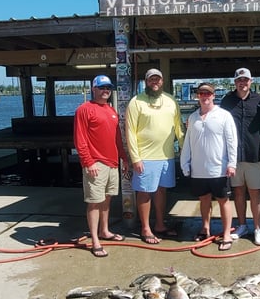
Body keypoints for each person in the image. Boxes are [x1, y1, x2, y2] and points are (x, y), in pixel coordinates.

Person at [126, 68, 184, 244]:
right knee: (144, 192)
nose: (155, 82)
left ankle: (159, 224)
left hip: (166, 157)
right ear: (146, 81)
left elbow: (178, 127)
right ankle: (145, 228)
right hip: (145, 157)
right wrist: (135, 158)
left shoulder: (171, 100)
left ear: (162, 81)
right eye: (151, 79)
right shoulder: (136, 102)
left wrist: (184, 151)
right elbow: (130, 132)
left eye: (157, 79)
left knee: (161, 191)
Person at [74, 75, 128, 258]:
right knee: (94, 202)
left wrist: (124, 158)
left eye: (108, 88)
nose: (106, 90)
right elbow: (80, 139)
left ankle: (105, 231)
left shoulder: (111, 110)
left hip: (112, 163)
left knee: (107, 199)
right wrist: (88, 162)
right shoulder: (84, 109)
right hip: (95, 163)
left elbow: (117, 138)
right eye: (102, 87)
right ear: (94, 89)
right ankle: (95, 240)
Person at [180, 82, 237, 251]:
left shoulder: (224, 115)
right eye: (202, 93)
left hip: (219, 169)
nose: (205, 96)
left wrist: (232, 163)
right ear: (198, 96)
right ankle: (205, 228)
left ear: (213, 96)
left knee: (223, 201)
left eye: (208, 93)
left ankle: (226, 233)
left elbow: (232, 141)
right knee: (204, 200)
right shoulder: (192, 117)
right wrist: (185, 164)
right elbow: (188, 143)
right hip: (199, 170)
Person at [220, 67, 260, 246]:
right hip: (233, 157)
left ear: (251, 81)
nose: (243, 83)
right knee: (238, 192)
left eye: (246, 80)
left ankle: (257, 228)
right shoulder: (227, 100)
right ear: (235, 82)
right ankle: (242, 225)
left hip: (254, 155)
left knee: (255, 193)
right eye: (239, 80)